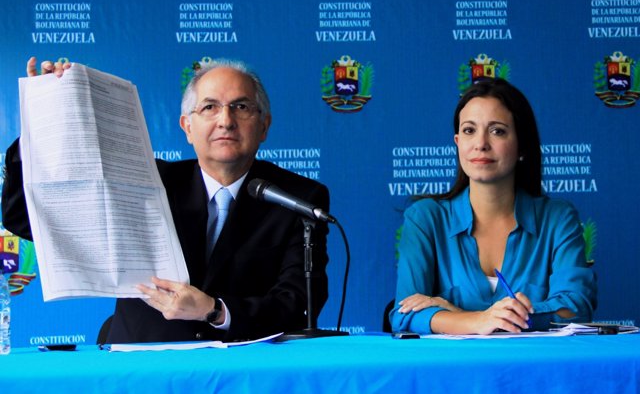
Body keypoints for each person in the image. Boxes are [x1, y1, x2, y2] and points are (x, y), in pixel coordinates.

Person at [1, 57, 330, 343]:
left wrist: (215, 311)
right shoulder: (145, 181)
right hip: (144, 364)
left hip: (244, 367)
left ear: (264, 126)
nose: (225, 120)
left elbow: (297, 301)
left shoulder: (299, 199)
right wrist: (42, 120)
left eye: (241, 107)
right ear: (187, 127)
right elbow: (24, 220)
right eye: (209, 107)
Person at [390, 78, 597, 335]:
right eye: (469, 130)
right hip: (451, 372)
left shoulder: (558, 219)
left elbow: (576, 308)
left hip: (533, 370)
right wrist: (479, 320)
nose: (480, 143)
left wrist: (459, 315)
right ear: (457, 142)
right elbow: (404, 315)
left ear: (522, 145)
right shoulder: (425, 219)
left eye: (497, 131)